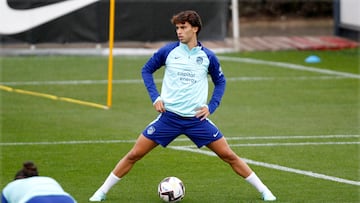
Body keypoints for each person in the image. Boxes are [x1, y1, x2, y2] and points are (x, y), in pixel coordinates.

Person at [89, 10, 276, 202]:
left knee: (228, 155)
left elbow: (220, 82)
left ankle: (264, 191)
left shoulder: (208, 57)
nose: (179, 31)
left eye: (183, 27)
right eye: (177, 28)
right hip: (169, 118)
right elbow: (146, 70)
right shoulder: (168, 51)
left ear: (195, 29)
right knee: (134, 154)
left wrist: (211, 106)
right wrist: (155, 98)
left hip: (197, 120)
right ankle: (101, 192)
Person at [1, 161, 77, 203]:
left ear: (16, 179)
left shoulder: (10, 187)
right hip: (66, 199)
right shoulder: (49, 179)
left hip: (32, 200)